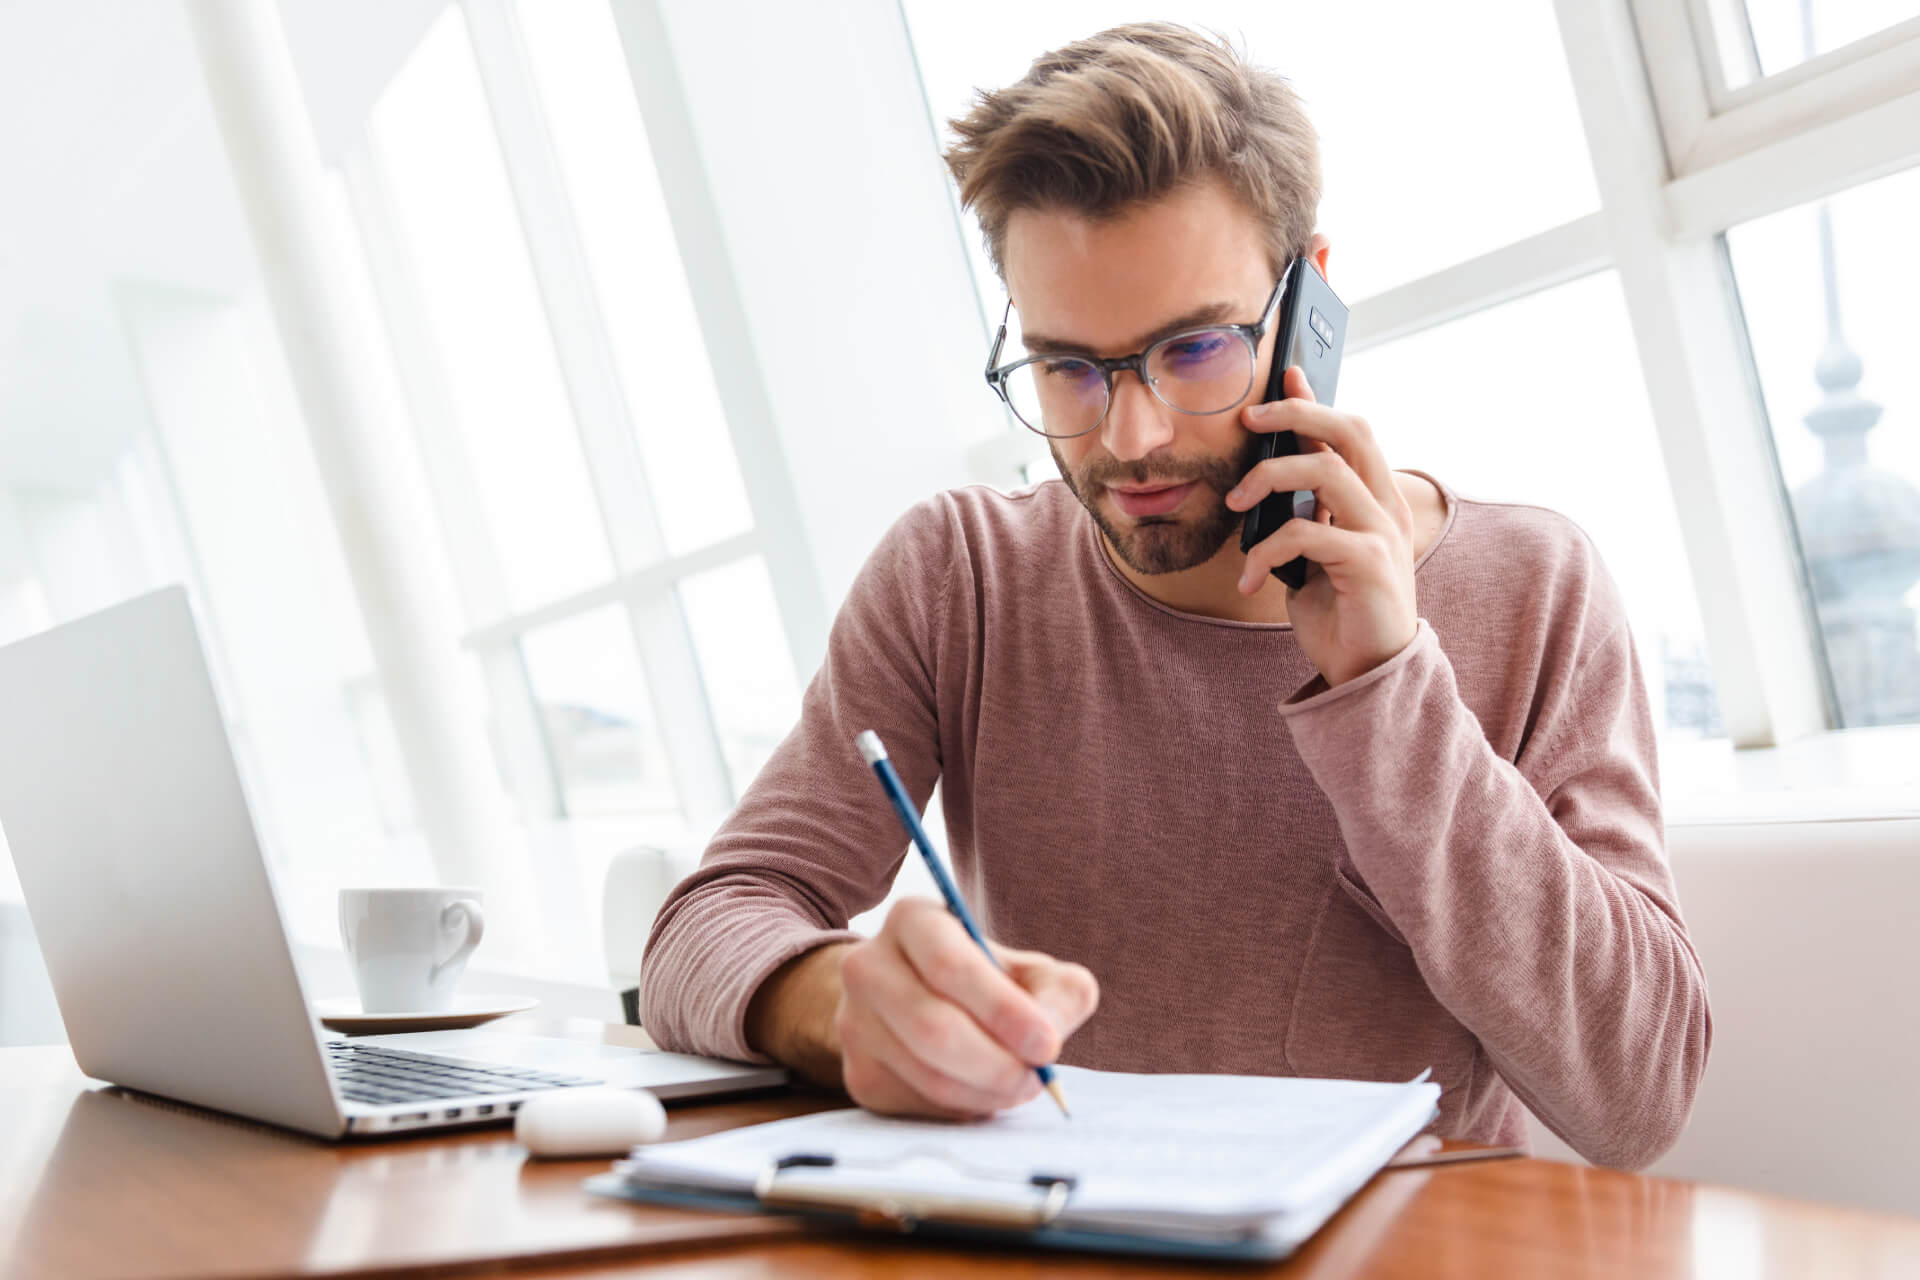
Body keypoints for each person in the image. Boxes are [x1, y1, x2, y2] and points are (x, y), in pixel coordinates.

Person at [640, 22, 1709, 1170]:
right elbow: (705, 927)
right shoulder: (961, 574)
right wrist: (841, 1000)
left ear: (1310, 297)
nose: (1130, 438)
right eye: (1067, 367)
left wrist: (1389, 688)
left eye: (1193, 349)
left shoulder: (1534, 586)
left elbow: (1637, 1096)